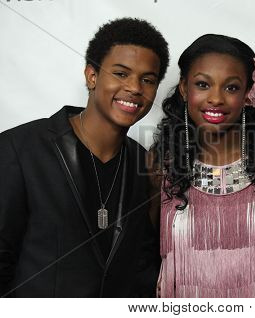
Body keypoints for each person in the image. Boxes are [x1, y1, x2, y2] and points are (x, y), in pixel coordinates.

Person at [0, 17, 169, 297]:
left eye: (147, 80)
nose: (135, 88)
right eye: (121, 73)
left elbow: (141, 266)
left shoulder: (144, 165)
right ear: (92, 76)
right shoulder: (20, 148)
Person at [149, 34, 255, 297]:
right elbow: (145, 252)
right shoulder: (161, 163)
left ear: (248, 94)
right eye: (203, 84)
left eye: (231, 87)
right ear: (184, 89)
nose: (216, 98)